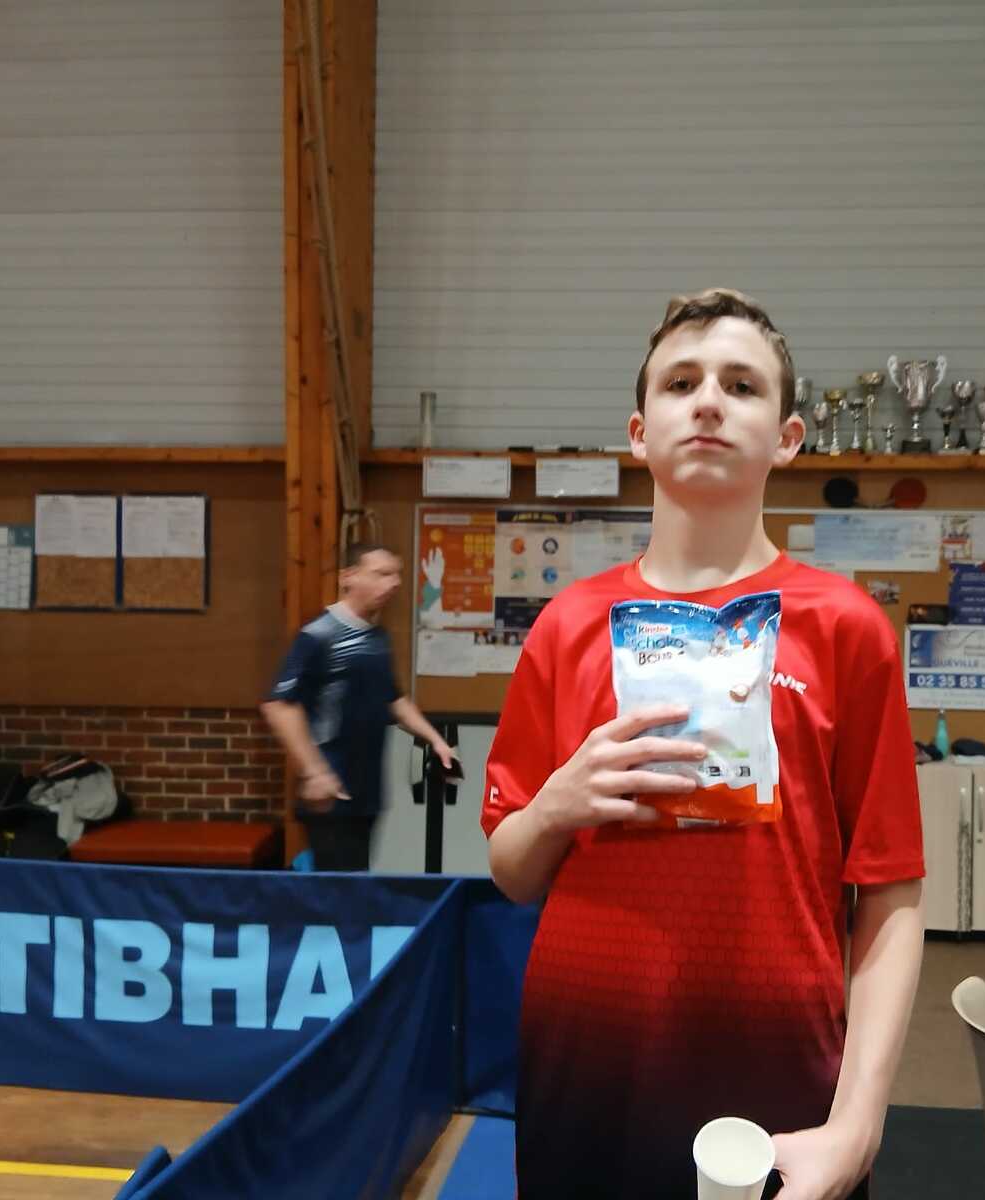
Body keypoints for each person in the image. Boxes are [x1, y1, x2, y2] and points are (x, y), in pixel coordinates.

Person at [481, 289, 925, 1199]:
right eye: (682, 383)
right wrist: (554, 807)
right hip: (586, 1065)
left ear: (788, 438)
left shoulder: (846, 628)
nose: (710, 402)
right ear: (640, 433)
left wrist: (858, 1124)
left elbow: (890, 892)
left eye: (741, 385)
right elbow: (512, 871)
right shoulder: (567, 626)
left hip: (777, 1068)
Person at [262, 543, 454, 871]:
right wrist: (314, 772)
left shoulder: (377, 638)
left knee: (356, 881)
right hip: (330, 793)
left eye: (396, 575)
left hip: (367, 793)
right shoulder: (318, 635)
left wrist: (435, 740)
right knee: (336, 892)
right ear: (348, 577)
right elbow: (279, 706)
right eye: (381, 574)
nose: (393, 583)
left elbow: (394, 699)